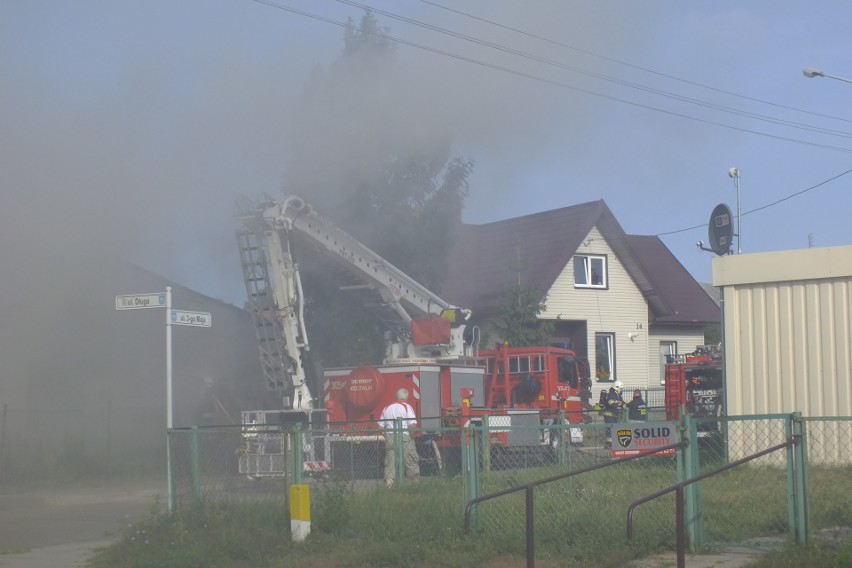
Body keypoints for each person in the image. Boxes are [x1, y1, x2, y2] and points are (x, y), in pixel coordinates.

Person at [379, 388, 420, 488]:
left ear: (396, 397)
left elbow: (380, 426)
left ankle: (389, 484)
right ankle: (414, 484)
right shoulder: (407, 407)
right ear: (406, 397)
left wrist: (387, 434)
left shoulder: (387, 408)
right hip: (404, 437)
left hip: (390, 437)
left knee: (390, 461)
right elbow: (412, 425)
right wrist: (412, 437)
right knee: (410, 460)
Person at [602, 380, 625, 447]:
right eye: (621, 388)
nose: (621, 390)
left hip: (614, 415)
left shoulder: (617, 395)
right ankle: (609, 444)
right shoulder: (611, 394)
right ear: (617, 388)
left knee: (613, 429)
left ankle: (612, 443)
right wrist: (618, 405)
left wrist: (621, 404)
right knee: (610, 430)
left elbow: (622, 403)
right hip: (609, 415)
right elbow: (611, 403)